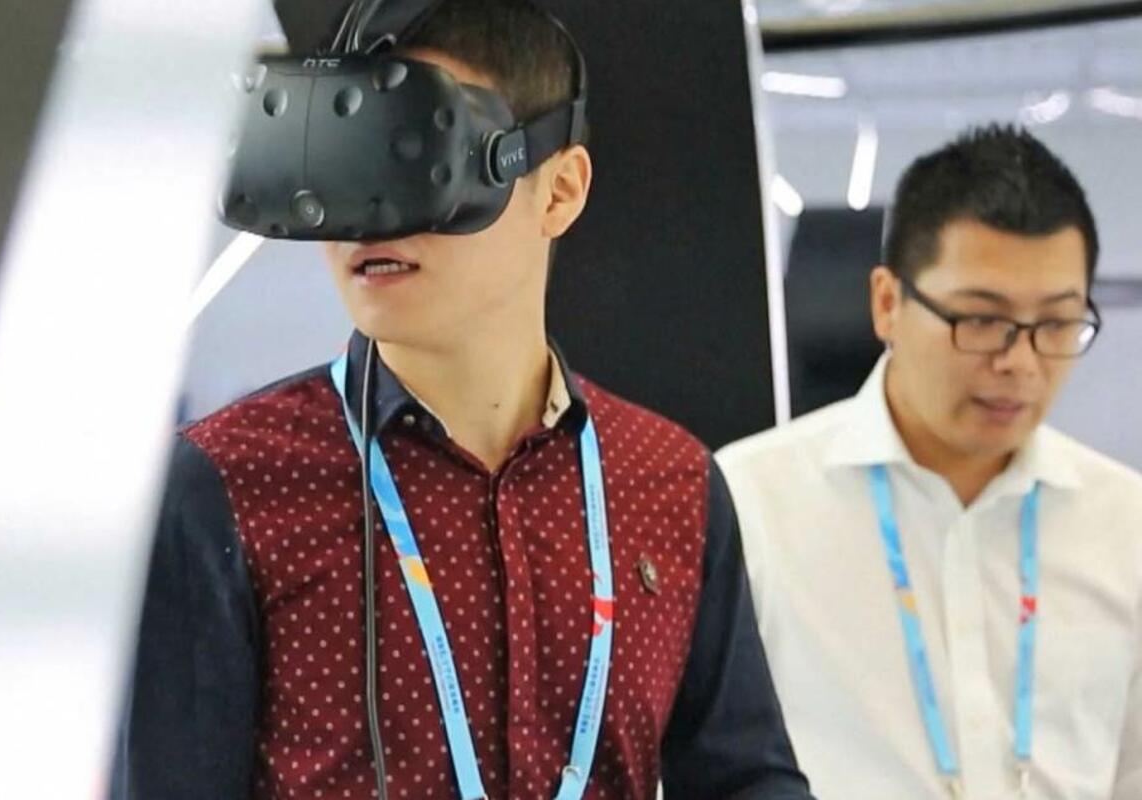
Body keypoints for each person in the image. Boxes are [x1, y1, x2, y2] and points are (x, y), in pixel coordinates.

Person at [112, 1, 814, 798]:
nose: (369, 220)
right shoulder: (231, 486)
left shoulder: (668, 483)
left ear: (559, 190)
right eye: (340, 166)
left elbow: (743, 779)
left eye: (416, 154)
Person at [718, 125, 1142, 799]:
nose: (1020, 361)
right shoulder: (747, 504)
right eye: (981, 319)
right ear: (888, 303)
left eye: (1057, 324)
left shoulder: (1125, 524)